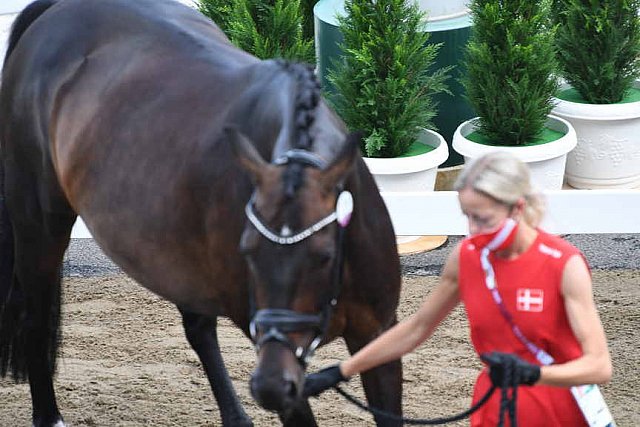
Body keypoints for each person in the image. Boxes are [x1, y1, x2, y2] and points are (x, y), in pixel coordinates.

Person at [304, 152, 613, 426]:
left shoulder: (564, 264)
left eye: (483, 219)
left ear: (517, 209)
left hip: (559, 409)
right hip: (494, 406)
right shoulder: (466, 257)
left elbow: (599, 366)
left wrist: (534, 375)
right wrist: (341, 371)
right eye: (467, 217)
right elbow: (417, 327)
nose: (473, 231)